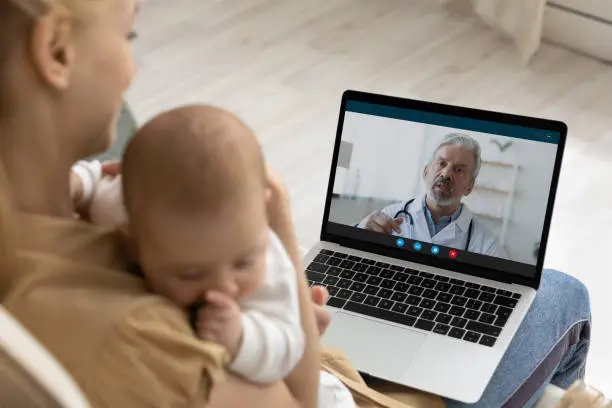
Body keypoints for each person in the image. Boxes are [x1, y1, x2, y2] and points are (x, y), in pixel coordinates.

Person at [0, 0, 594, 407]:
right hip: (337, 384)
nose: (130, 67)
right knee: (566, 294)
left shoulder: (60, 217)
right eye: (127, 33)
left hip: (307, 345)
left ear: (468, 186)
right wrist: (280, 231)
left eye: (458, 171)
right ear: (56, 48)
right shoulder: (132, 340)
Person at [72, 104, 357, 408]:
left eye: (243, 263)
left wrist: (241, 338)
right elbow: (102, 179)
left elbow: (289, 348)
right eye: (191, 274)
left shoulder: (271, 272)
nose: (225, 287)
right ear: (133, 241)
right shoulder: (135, 213)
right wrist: (78, 185)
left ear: (263, 213)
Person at [357, 134, 507, 258]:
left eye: (459, 169)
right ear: (425, 172)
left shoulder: (487, 245)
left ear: (469, 187)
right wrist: (359, 233)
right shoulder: (389, 217)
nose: (446, 173)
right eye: (442, 163)